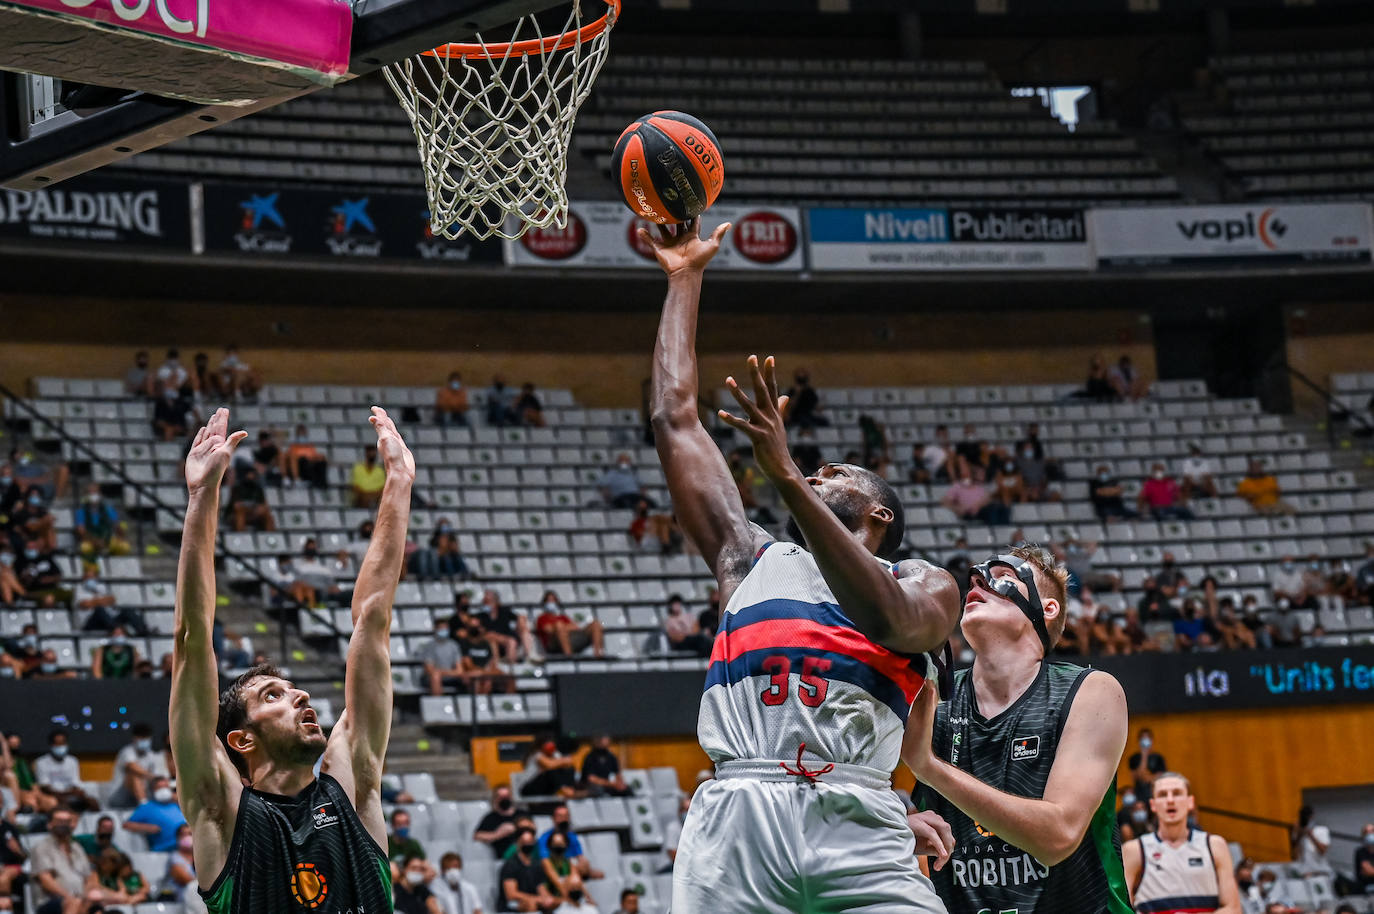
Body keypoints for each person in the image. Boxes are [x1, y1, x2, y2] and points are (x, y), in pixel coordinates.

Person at [642, 217, 958, 913]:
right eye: (812, 470)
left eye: (838, 472)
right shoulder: (750, 558)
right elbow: (674, 419)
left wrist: (786, 477)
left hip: (861, 819)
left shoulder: (926, 584)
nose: (821, 470)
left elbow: (889, 618)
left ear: (882, 517)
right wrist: (684, 277)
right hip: (738, 819)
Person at [169, 406, 413, 912]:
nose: (300, 694)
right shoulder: (221, 810)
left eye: (291, 688)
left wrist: (399, 482)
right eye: (272, 696)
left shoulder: (354, 783)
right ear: (241, 739)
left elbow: (373, 620)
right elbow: (192, 642)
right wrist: (202, 496)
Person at [904, 545, 1132, 914]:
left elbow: (1057, 837)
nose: (977, 580)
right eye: (976, 579)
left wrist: (929, 768)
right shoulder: (933, 697)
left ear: (1047, 607)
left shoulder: (1091, 690)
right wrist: (900, 825)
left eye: (1003, 576)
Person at [1122, 772, 1241, 914]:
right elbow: (1120, 909)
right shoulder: (1134, 850)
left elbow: (1233, 909)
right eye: (1162, 795)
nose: (1170, 800)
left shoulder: (1214, 845)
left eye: (1177, 793)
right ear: (1153, 805)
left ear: (1190, 802)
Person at [30, 805, 98, 914]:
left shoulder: (77, 848)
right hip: (51, 902)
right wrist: (69, 897)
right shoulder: (42, 848)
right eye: (59, 821)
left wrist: (86, 897)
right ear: (50, 824)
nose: (63, 825)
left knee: (99, 905)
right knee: (73, 903)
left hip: (79, 898)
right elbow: (46, 880)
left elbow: (89, 877)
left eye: (67, 821)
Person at [108, 723, 168, 807]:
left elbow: (159, 775)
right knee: (134, 775)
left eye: (146, 738)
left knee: (161, 783)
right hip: (120, 797)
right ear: (134, 738)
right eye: (141, 738)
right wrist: (153, 777)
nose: (144, 740)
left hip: (144, 794)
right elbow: (132, 766)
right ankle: (144, 807)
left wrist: (160, 781)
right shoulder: (127, 752)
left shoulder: (152, 755)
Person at [35, 731, 98, 812]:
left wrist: (80, 795)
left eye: (63, 743)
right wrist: (62, 796)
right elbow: (45, 787)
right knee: (56, 803)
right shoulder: (41, 762)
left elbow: (75, 783)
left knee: (93, 802)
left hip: (70, 794)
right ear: (51, 745)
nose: (60, 746)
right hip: (52, 795)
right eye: (57, 744)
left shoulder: (73, 761)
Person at [500, 825, 557, 912]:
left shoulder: (536, 864)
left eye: (530, 842)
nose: (528, 845)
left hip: (533, 898)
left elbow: (540, 887)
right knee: (531, 904)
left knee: (554, 902)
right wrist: (535, 898)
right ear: (518, 843)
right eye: (524, 842)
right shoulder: (510, 865)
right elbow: (511, 894)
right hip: (512, 903)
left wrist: (547, 898)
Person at [122, 775, 186, 851]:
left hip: (187, 843)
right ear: (152, 790)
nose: (163, 790)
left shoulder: (175, 804)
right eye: (159, 788)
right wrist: (147, 828)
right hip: (166, 846)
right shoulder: (146, 807)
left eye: (166, 787)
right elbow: (126, 825)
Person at [536, 593, 605, 659]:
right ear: (544, 603)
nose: (551, 602)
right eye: (549, 600)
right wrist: (562, 627)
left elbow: (576, 627)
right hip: (554, 645)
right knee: (559, 625)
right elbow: (549, 630)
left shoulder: (563, 617)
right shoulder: (542, 618)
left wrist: (561, 628)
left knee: (596, 624)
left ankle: (598, 654)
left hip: (571, 639)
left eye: (553, 600)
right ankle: (569, 658)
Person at [73, 485, 130, 558]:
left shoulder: (108, 510)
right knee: (85, 548)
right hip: (91, 540)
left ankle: (114, 563)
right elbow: (81, 531)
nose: (93, 495)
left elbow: (117, 526)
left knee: (124, 547)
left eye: (95, 492)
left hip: (107, 538)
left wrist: (120, 533)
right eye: (89, 493)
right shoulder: (81, 512)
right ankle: (92, 565)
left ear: (100, 494)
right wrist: (95, 541)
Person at [474, 785, 525, 858]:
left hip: (524, 853)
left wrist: (515, 828)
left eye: (507, 796)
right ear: (495, 799)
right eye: (501, 797)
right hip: (502, 856)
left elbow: (531, 828)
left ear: (511, 797)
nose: (504, 799)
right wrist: (497, 834)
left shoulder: (521, 814)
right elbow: (477, 835)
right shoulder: (490, 817)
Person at [225, 466, 275, 532]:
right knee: (240, 513)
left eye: (253, 474)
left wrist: (260, 508)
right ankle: (243, 538)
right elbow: (235, 505)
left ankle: (271, 536)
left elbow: (263, 504)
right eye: (250, 474)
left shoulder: (258, 488)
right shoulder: (237, 488)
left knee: (267, 515)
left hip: (254, 512)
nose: (252, 476)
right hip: (238, 514)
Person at [1129, 729, 1169, 801]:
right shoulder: (1134, 758)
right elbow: (1139, 778)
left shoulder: (1158, 758)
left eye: (1147, 738)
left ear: (1152, 740)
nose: (1145, 740)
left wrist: (1147, 777)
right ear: (1139, 741)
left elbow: (1160, 778)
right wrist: (1144, 755)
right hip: (1139, 797)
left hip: (1155, 796)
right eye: (1143, 738)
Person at [285, 424, 330, 489]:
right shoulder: (293, 446)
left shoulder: (310, 446)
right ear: (297, 434)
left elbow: (314, 455)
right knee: (303, 460)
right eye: (300, 433)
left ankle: (322, 484)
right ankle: (298, 480)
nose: (302, 435)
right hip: (299, 465)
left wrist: (318, 458)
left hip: (309, 463)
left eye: (303, 433)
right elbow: (289, 456)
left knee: (322, 459)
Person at [1291, 805, 1332, 876]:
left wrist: (1311, 835)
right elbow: (1294, 856)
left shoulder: (1322, 830)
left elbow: (1323, 851)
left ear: (1312, 817)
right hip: (1305, 872)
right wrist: (1298, 836)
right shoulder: (1297, 832)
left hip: (1321, 870)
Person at [351, 444, 387, 509]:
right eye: (370, 452)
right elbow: (355, 487)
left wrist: (372, 496)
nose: (372, 455)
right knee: (362, 499)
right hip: (362, 497)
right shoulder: (358, 468)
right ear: (366, 453)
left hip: (376, 497)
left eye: (373, 453)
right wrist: (366, 496)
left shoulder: (379, 470)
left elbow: (382, 488)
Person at [1354, 822, 1374, 893]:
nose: (1371, 834)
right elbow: (1367, 871)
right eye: (1368, 832)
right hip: (1365, 888)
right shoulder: (1360, 852)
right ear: (1363, 836)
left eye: (1372, 831)